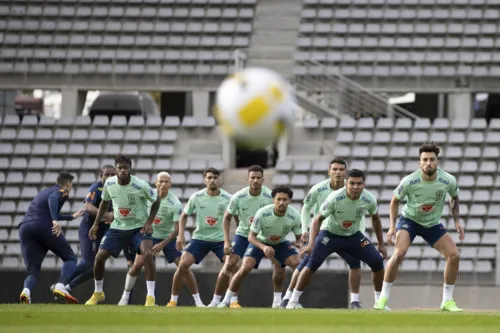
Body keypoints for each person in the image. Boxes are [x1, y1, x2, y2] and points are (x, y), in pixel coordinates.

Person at [374, 142, 465, 312]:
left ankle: (447, 301)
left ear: (437, 162)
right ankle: (382, 299)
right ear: (420, 162)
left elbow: (454, 197)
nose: (428, 162)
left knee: (454, 255)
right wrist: (392, 226)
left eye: (432, 159)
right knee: (399, 253)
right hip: (410, 221)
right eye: (425, 159)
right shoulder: (410, 180)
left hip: (432, 223)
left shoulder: (448, 180)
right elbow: (394, 201)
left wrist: (457, 221)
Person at [286, 169, 387, 309]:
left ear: (364, 185)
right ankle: (293, 301)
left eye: (359, 184)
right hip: (330, 234)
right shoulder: (335, 197)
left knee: (376, 261)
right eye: (352, 183)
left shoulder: (369, 198)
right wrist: (310, 243)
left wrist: (381, 244)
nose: (355, 187)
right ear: (346, 184)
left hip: (352, 235)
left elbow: (375, 218)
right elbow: (317, 220)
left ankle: (378, 303)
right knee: (312, 264)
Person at [85, 155, 161, 306]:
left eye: (126, 168)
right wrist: (96, 224)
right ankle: (98, 292)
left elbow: (157, 199)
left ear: (130, 169)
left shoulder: (140, 185)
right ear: (116, 169)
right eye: (119, 168)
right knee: (99, 257)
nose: (123, 171)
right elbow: (105, 203)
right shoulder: (109, 183)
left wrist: (149, 221)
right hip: (118, 227)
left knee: (147, 254)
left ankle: (150, 297)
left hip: (138, 228)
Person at [117, 172, 202, 306]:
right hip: (148, 236)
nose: (163, 184)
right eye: (161, 181)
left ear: (170, 184)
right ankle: (124, 297)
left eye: (166, 181)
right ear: (155, 183)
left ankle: (198, 302)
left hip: (168, 238)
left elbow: (177, 229)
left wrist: (162, 244)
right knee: (137, 265)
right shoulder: (146, 197)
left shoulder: (175, 203)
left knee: (183, 266)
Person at [207, 165, 286, 308]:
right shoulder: (238, 197)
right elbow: (226, 217)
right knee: (230, 263)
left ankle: (277, 303)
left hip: (265, 236)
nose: (255, 180)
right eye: (252, 178)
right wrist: (226, 241)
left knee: (279, 266)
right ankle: (216, 301)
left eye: (258, 178)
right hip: (243, 235)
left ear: (263, 179)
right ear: (248, 179)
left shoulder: (270, 197)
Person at [218, 185, 302, 308]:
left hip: (280, 243)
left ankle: (288, 300)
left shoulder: (295, 215)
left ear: (290, 201)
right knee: (245, 268)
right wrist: (263, 247)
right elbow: (251, 237)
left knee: (298, 265)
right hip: (260, 242)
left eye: (285, 199)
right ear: (273, 200)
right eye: (278, 199)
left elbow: (299, 238)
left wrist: (300, 245)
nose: (281, 202)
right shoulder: (263, 213)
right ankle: (226, 300)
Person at [167, 167, 232, 307]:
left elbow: (237, 217)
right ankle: (174, 300)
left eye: (215, 177)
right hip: (200, 239)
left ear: (220, 180)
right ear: (204, 180)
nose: (212, 180)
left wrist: (234, 238)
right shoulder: (196, 197)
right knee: (183, 264)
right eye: (209, 177)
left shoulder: (228, 198)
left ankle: (226, 301)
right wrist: (180, 235)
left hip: (220, 240)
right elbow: (184, 216)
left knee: (232, 264)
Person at [18, 171, 84, 304]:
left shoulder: (44, 191)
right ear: (68, 184)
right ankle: (61, 286)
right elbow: (53, 200)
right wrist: (54, 221)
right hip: (43, 227)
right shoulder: (62, 191)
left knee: (33, 272)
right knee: (70, 258)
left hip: (25, 228)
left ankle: (26, 291)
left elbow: (46, 210)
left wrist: (71, 217)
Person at [60, 165, 115, 293]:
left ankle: (66, 288)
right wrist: (107, 215)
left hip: (103, 230)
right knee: (88, 261)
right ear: (101, 176)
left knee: (97, 268)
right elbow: (88, 207)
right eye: (107, 174)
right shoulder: (96, 188)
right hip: (88, 228)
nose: (110, 177)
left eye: (113, 175)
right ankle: (60, 283)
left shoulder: (119, 190)